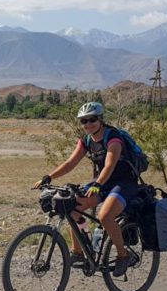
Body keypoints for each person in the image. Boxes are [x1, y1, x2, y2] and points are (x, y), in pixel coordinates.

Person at [33, 101, 142, 277]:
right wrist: (49, 177)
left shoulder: (113, 138)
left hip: (124, 183)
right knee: (71, 206)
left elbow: (109, 166)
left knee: (105, 216)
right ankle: (80, 251)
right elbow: (70, 163)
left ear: (100, 120)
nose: (88, 124)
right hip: (101, 182)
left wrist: (98, 185)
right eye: (84, 121)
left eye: (92, 120)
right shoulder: (86, 140)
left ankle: (124, 255)